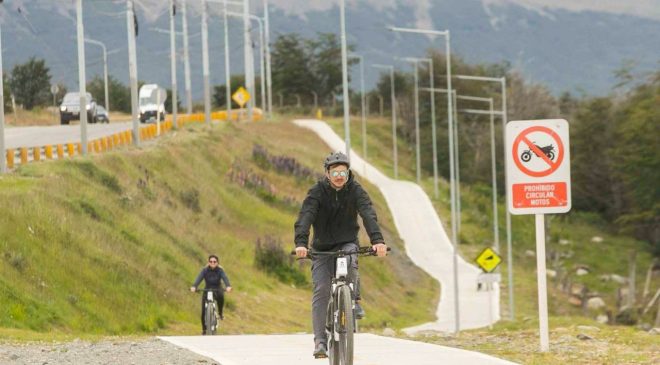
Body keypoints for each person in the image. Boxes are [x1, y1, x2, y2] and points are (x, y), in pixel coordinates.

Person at [294, 151, 387, 358]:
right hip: (322, 248)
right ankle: (320, 341)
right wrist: (301, 243)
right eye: (335, 173)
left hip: (346, 242)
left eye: (343, 173)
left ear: (348, 174)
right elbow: (306, 216)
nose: (339, 177)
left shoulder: (356, 190)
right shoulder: (317, 192)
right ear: (327, 173)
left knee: (351, 257)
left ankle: (352, 301)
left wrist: (377, 241)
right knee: (322, 289)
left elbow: (368, 214)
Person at [190, 254, 232, 334]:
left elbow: (225, 278)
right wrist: (194, 286)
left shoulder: (220, 270)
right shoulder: (204, 270)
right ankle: (204, 329)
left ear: (217, 263)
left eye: (214, 261)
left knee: (221, 297)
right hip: (207, 289)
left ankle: (220, 313)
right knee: (203, 312)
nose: (212, 263)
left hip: (217, 289)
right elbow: (199, 278)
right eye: (211, 261)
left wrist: (228, 286)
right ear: (208, 262)